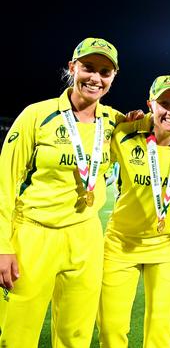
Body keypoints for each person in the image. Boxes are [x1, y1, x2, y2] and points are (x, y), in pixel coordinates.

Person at [0, 37, 123, 347]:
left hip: (86, 236)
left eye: (105, 71)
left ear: (113, 77)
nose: (96, 78)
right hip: (34, 236)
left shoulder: (115, 123)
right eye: (89, 68)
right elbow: (3, 181)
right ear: (73, 68)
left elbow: (159, 132)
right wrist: (3, 245)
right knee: (17, 334)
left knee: (76, 336)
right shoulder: (36, 115)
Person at [97, 75, 170, 347]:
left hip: (169, 245)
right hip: (122, 244)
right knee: (111, 329)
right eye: (164, 103)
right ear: (150, 105)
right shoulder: (123, 133)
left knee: (161, 330)